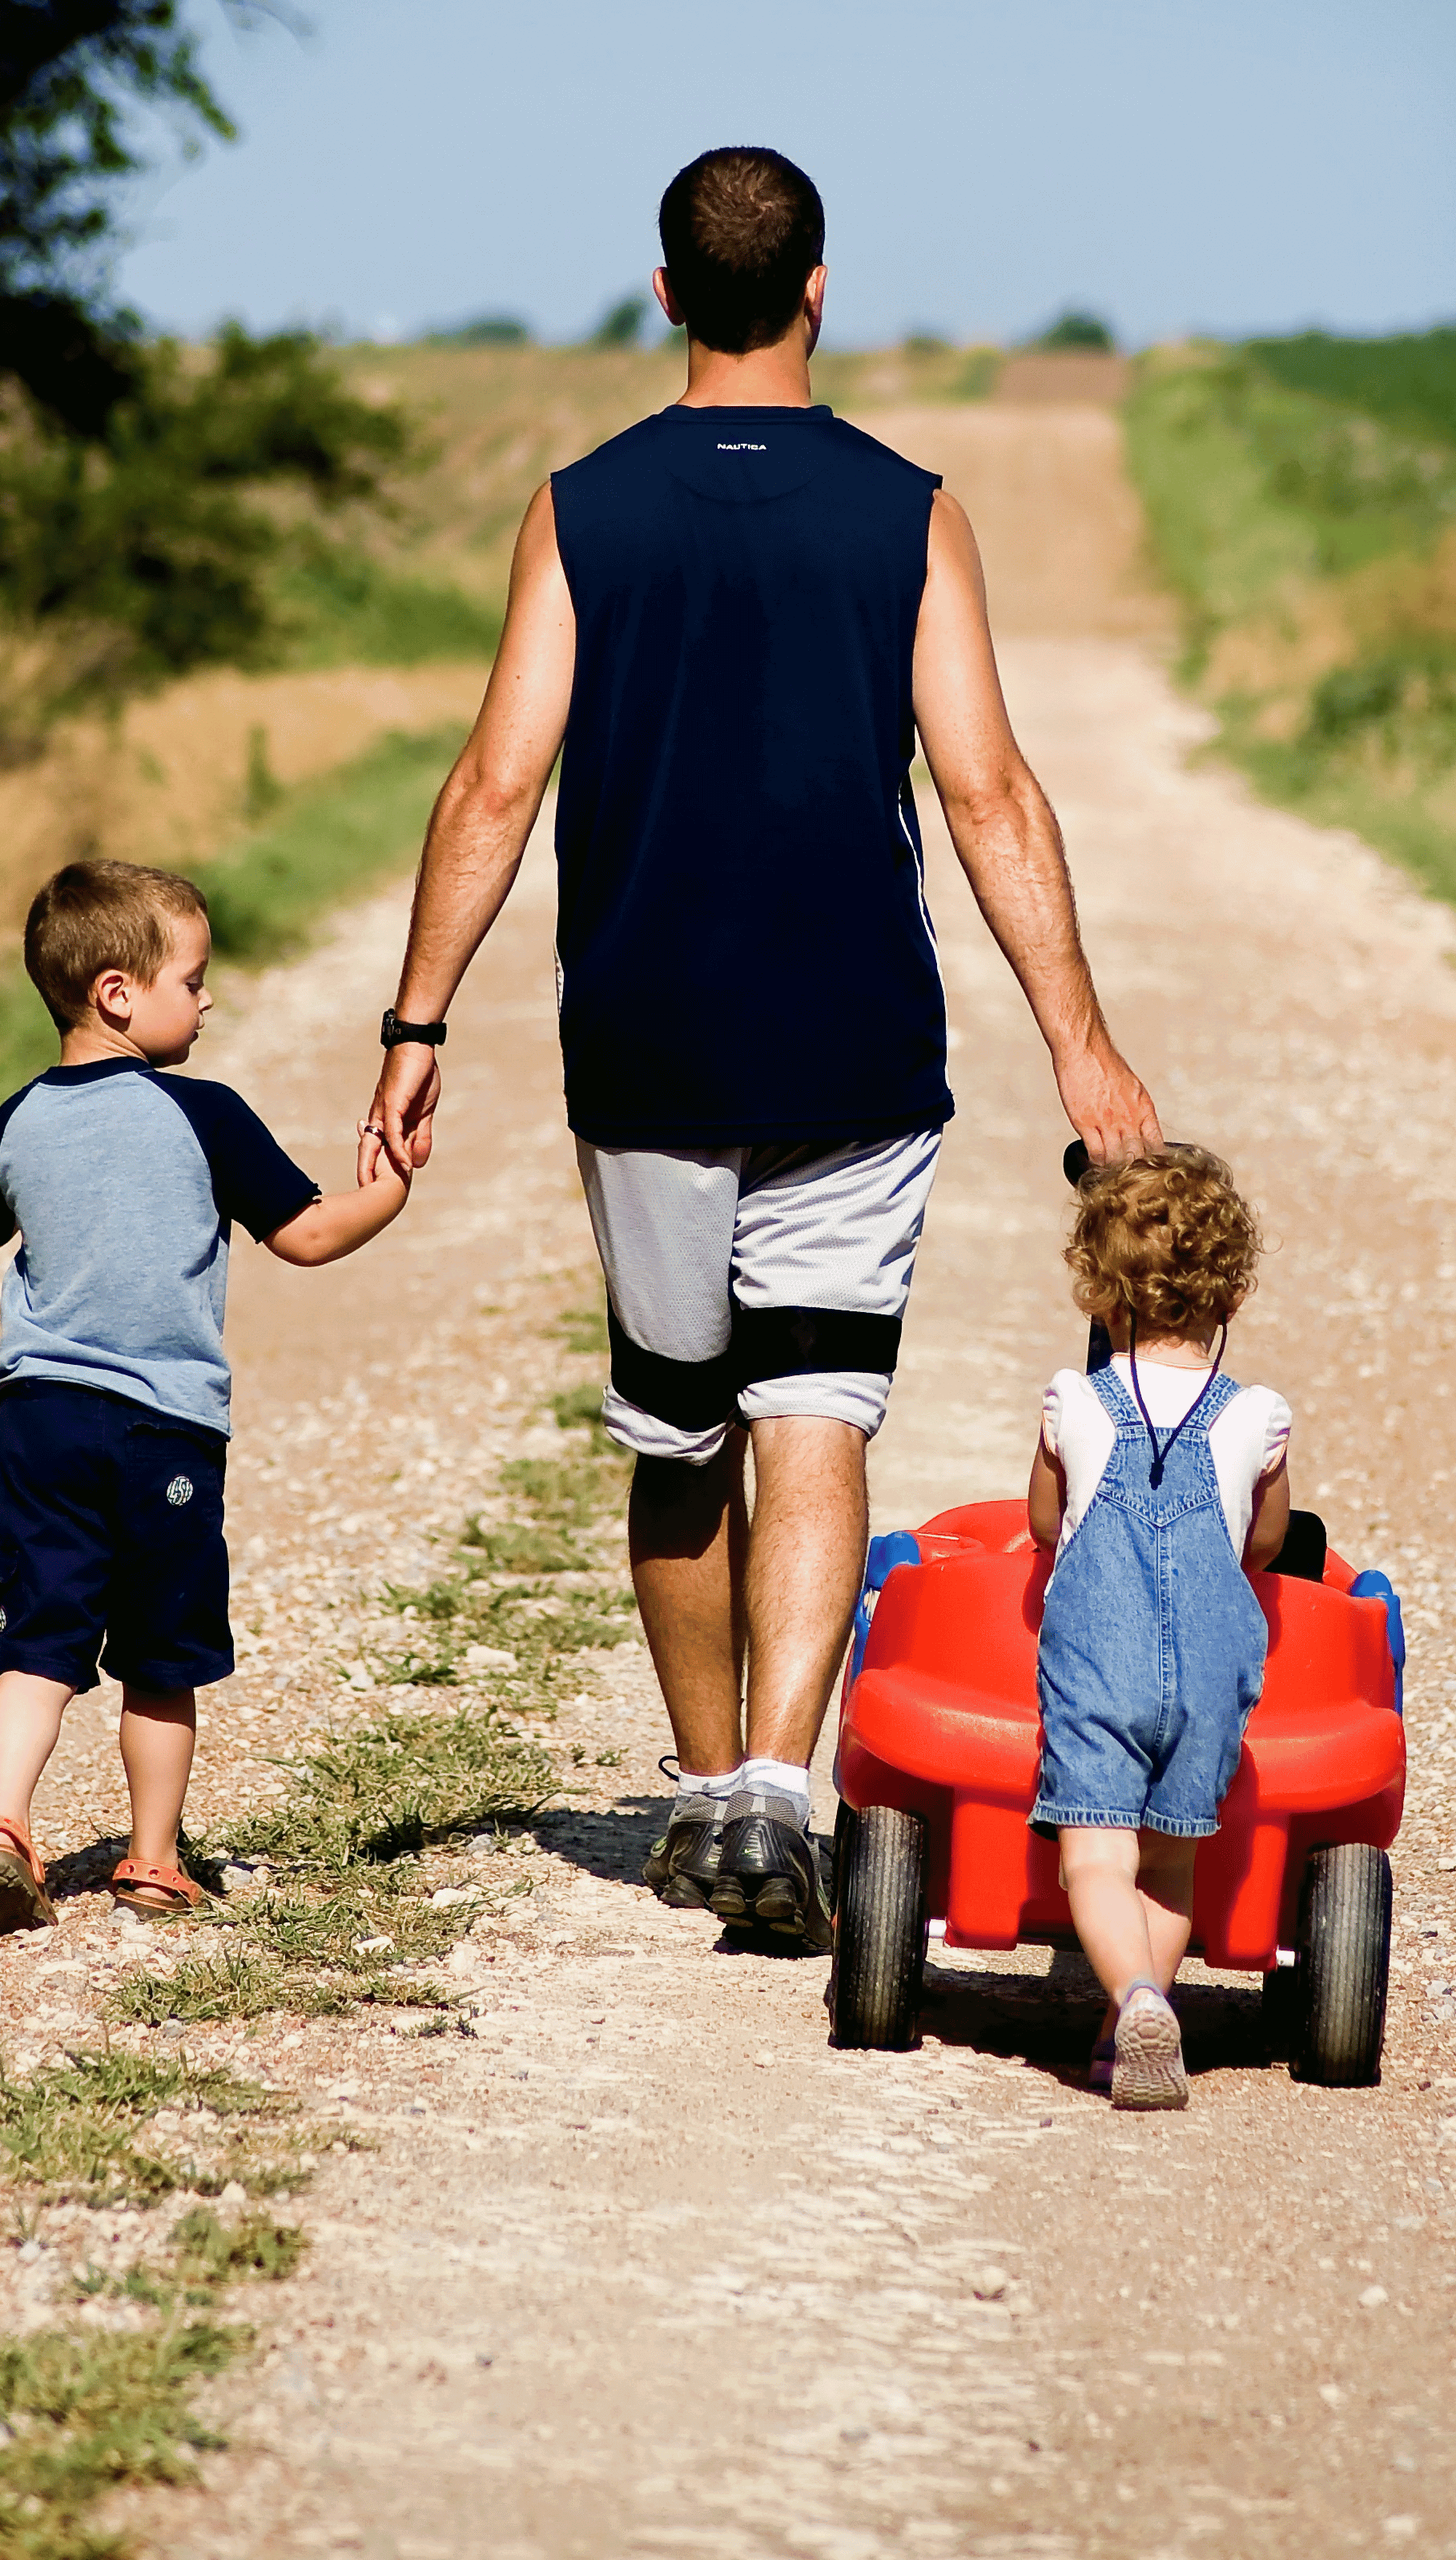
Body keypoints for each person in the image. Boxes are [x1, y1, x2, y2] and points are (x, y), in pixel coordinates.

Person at [371, 144, 1159, 1953]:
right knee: (815, 1406)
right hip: (853, 1033)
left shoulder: (581, 504)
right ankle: (780, 1795)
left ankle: (709, 1780)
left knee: (677, 1421)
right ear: (820, 285)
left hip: (642, 1032)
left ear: (663, 294)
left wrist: (416, 1019)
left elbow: (499, 778)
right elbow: (987, 789)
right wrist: (1085, 1053)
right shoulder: (910, 510)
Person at [0, 858, 412, 1932]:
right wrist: (389, 1190)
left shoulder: (17, 1120)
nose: (206, 1001)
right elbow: (308, 1234)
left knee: (35, 1635)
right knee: (160, 1654)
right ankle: (152, 1858)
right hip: (165, 1429)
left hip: (39, 1418)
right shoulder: (204, 1113)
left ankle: (4, 1824)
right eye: (192, 981)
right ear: (119, 992)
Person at [1026, 1143, 1292, 2108]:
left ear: (1102, 1292)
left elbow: (1045, 1526)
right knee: (1170, 1856)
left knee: (1097, 1854)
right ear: (1229, 1295)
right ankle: (1131, 2027)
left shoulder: (1076, 1401)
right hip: (1215, 1662)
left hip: (1099, 1655)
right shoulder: (1259, 1416)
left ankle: (1133, 1995)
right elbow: (1262, 1544)